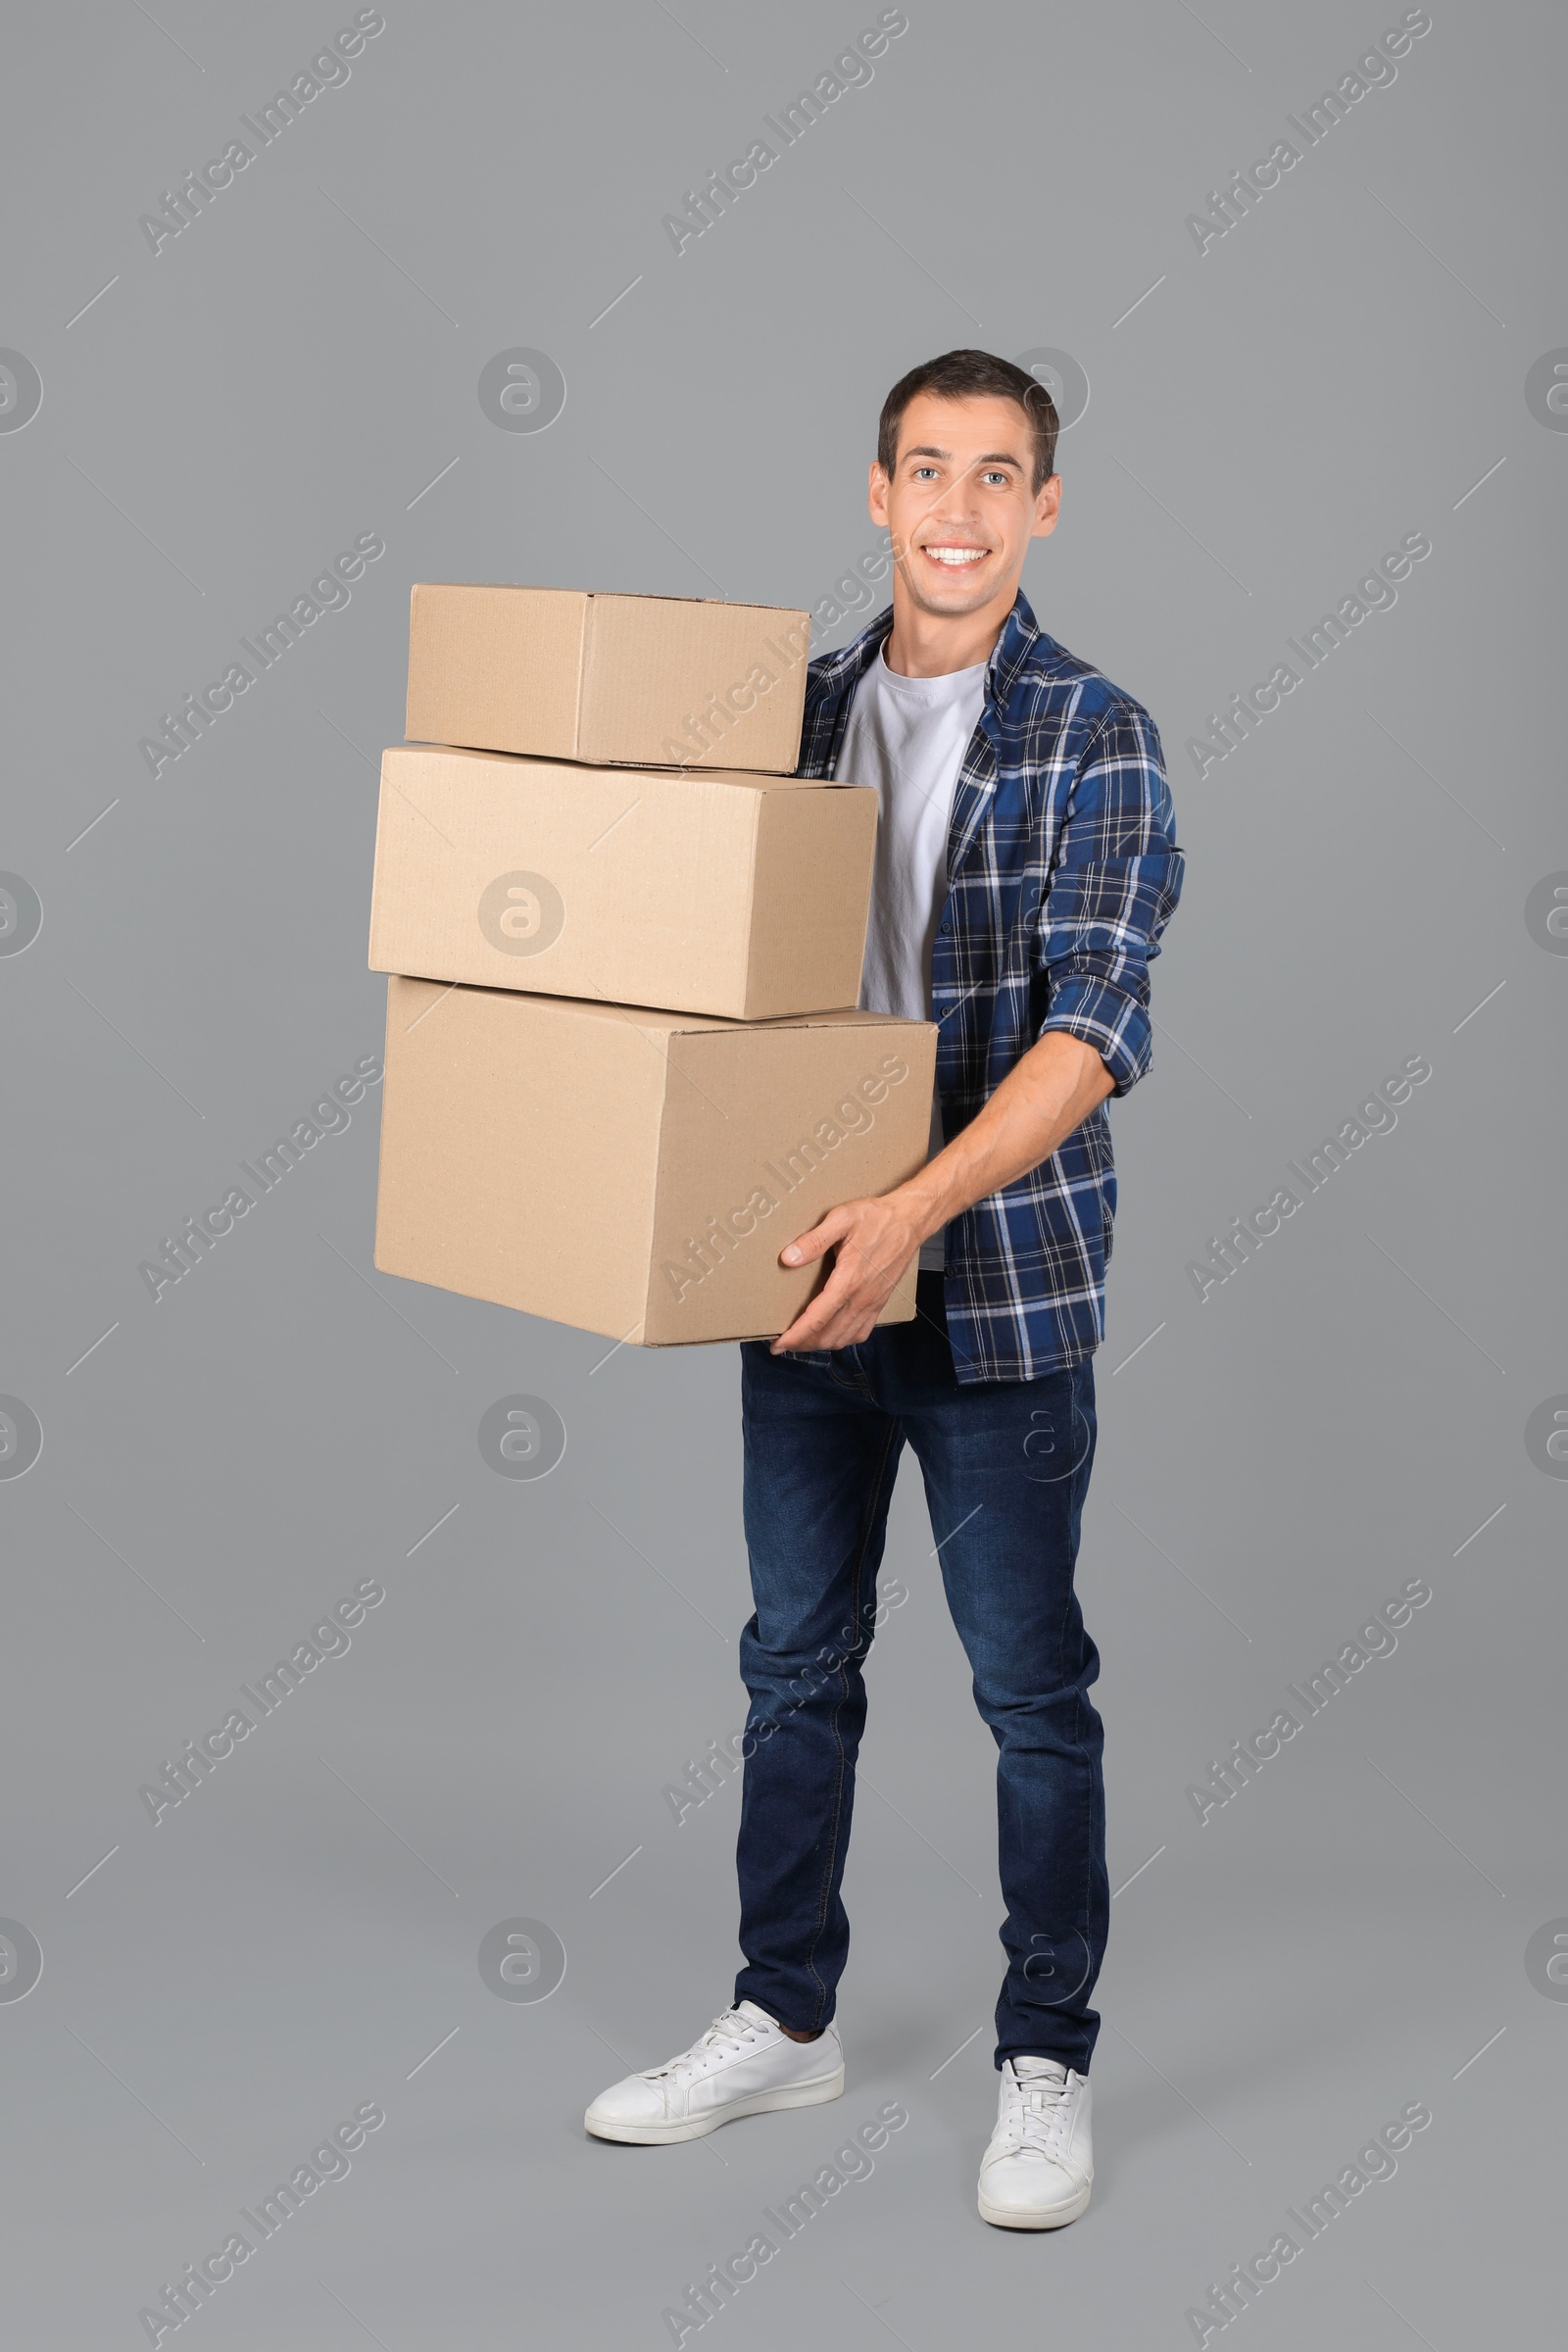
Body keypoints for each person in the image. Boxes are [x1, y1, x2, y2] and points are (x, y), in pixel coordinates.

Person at [586, 348, 1186, 2230]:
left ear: (1045, 508)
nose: (956, 509)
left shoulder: (1099, 731)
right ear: (875, 490)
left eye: (997, 477)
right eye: (927, 470)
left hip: (993, 1286)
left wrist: (913, 1207)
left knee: (1031, 1690)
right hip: (797, 1280)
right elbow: (690, 947)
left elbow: (1093, 1028)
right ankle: (783, 2015)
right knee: (793, 1665)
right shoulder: (796, 712)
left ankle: (1047, 2058)